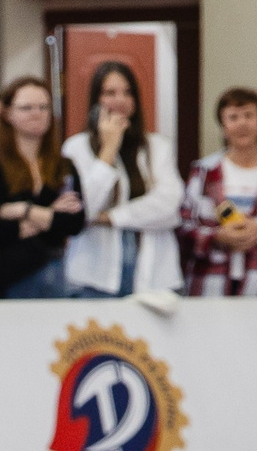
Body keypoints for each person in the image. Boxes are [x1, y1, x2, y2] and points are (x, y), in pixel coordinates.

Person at [61, 58, 182, 298]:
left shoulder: (157, 146)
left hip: (154, 274)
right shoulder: (76, 147)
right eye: (110, 93)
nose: (120, 101)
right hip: (95, 277)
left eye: (127, 93)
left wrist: (112, 217)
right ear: (96, 101)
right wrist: (108, 149)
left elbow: (169, 203)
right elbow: (84, 207)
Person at [177, 86, 257, 298]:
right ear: (223, 126)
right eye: (233, 117)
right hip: (210, 286)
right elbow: (182, 229)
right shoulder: (204, 173)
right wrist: (217, 237)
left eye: (249, 115)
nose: (242, 123)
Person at [0, 76, 85, 299]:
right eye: (26, 107)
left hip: (50, 273)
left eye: (43, 107)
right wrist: (50, 215)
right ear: (8, 113)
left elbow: (74, 222)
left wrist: (20, 211)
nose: (37, 113)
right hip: (3, 276)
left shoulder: (64, 166)